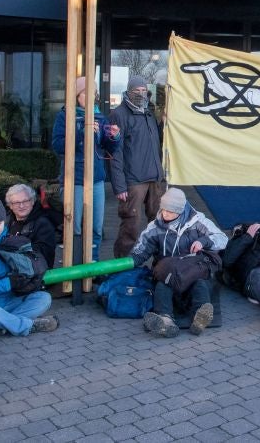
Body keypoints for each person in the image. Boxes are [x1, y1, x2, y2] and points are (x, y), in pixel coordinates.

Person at [130, 188, 227, 338]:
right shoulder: (154, 227)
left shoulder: (198, 222)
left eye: (171, 211)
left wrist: (203, 241)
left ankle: (199, 318)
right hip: (167, 273)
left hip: (190, 271)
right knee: (162, 285)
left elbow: (222, 239)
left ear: (181, 211)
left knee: (199, 283)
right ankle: (165, 321)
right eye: (164, 210)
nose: (165, 214)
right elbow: (141, 250)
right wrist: (131, 260)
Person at [0, 198, 59, 337]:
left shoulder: (8, 239)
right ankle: (25, 326)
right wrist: (8, 283)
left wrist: (28, 278)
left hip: (9, 302)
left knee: (43, 298)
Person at [51, 76, 121, 262]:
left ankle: (93, 267)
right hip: (74, 179)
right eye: (86, 93)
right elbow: (58, 146)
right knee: (74, 228)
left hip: (96, 180)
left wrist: (114, 137)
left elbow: (109, 147)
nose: (92, 97)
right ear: (77, 95)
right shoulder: (65, 116)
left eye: (94, 93)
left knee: (96, 228)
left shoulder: (100, 116)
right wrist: (81, 134)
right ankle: (73, 268)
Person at [109, 75, 166, 257]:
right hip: (133, 180)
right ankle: (120, 267)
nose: (140, 94)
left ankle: (158, 263)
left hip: (154, 178)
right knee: (131, 226)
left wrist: (163, 122)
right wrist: (119, 186)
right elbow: (114, 152)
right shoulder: (119, 114)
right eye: (136, 91)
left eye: (143, 91)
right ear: (128, 91)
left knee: (158, 223)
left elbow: (156, 141)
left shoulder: (148, 112)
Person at [5, 184, 58, 267]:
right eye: (16, 202)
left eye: (25, 201)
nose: (21, 206)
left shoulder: (43, 223)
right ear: (10, 205)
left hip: (35, 276)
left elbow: (44, 254)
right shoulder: (6, 221)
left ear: (32, 201)